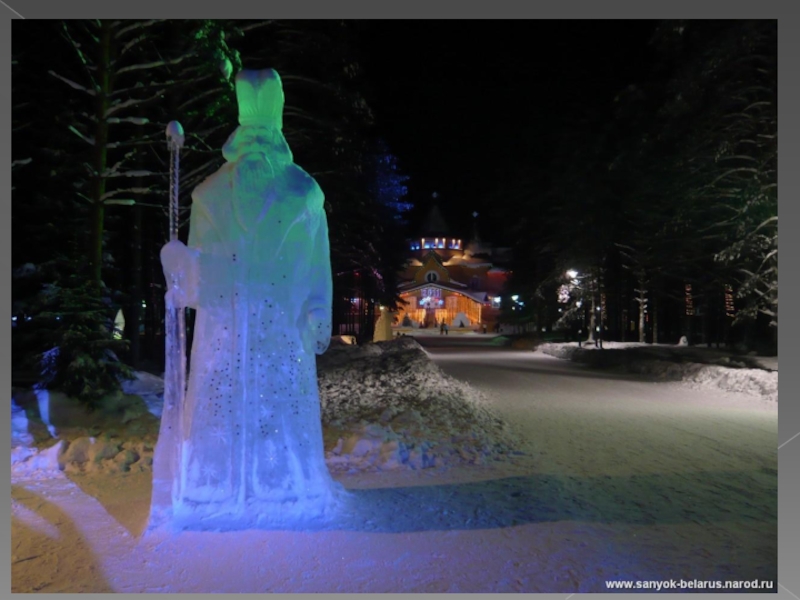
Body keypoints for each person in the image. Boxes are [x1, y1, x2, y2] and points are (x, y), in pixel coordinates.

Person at [153, 69, 341, 529]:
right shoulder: (209, 195)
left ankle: (289, 488)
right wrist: (182, 268)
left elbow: (317, 259)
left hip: (283, 332)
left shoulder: (303, 193)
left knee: (282, 414)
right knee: (221, 410)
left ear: (274, 126)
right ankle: (212, 487)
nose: (256, 143)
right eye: (251, 133)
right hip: (225, 335)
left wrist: (319, 307)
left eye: (262, 133)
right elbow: (197, 283)